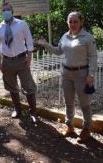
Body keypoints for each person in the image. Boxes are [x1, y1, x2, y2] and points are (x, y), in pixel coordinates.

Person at [37, 11, 98, 143]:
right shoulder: (64, 36)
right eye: (70, 21)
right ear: (67, 23)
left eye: (75, 21)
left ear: (81, 22)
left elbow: (93, 57)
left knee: (85, 104)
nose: (73, 24)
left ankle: (86, 129)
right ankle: (70, 126)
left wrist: (91, 74)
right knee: (68, 102)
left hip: (82, 74)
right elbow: (58, 51)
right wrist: (46, 44)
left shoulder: (87, 37)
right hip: (66, 74)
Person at [0, 2, 37, 123]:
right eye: (4, 10)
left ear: (12, 11)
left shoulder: (21, 24)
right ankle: (17, 110)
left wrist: (30, 57)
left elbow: (29, 41)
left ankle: (33, 112)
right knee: (12, 87)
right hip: (7, 61)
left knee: (28, 86)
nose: (6, 11)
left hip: (22, 60)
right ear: (1, 12)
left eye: (8, 9)